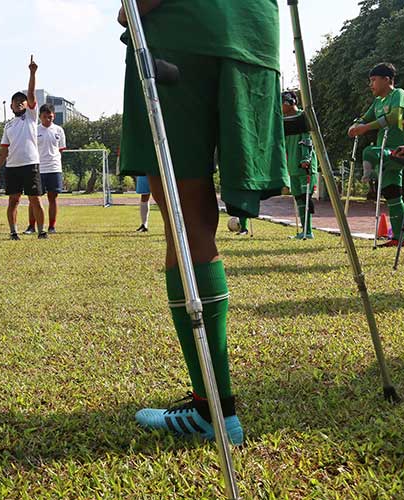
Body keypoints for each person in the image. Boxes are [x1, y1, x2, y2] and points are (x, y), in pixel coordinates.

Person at [117, 0, 288, 445]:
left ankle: (213, 409)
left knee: (185, 216)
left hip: (182, 35)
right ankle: (210, 401)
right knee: (196, 218)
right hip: (256, 36)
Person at [348, 63, 404, 247]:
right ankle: (399, 238)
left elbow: (395, 117)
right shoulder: (377, 102)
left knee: (369, 152)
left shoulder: (398, 94)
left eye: (374, 80)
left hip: (398, 150)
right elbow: (365, 117)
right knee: (392, 195)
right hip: (385, 152)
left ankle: (369, 176)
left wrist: (366, 128)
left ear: (387, 79)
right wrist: (356, 125)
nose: (370, 85)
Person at [0, 56, 47, 240]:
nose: (19, 103)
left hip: (31, 164)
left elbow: (31, 94)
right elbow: (4, 149)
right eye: (16, 101)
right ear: (11, 105)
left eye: (22, 101)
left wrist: (32, 73)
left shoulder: (32, 116)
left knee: (35, 199)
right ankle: (13, 231)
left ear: (27, 105)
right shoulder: (8, 126)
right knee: (13, 200)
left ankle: (42, 231)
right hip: (13, 168)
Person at [24, 104, 66, 234]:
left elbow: (61, 150)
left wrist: (55, 162)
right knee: (34, 199)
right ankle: (31, 226)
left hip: (54, 168)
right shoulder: (35, 130)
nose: (47, 119)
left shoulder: (59, 130)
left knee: (53, 198)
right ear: (40, 117)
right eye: (44, 117)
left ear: (53, 116)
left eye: (50, 117)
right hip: (38, 169)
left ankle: (52, 226)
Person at [282, 90, 318, 240]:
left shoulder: (303, 116)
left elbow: (307, 139)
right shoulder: (282, 120)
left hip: (305, 165)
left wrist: (306, 158)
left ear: (290, 102)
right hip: (291, 166)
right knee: (298, 197)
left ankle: (308, 231)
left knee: (305, 197)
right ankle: (304, 230)